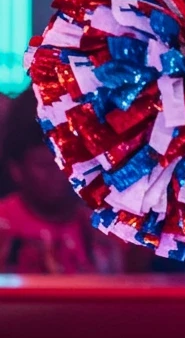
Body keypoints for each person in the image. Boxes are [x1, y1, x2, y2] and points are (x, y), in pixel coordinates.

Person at [0, 89, 124, 273]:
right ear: (16, 169)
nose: (59, 175)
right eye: (45, 165)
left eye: (68, 166)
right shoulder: (4, 229)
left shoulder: (106, 232)